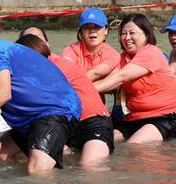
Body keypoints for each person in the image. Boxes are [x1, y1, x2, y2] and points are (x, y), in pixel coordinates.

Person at [0, 39, 81, 173]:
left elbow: (2, 93)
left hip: (55, 110)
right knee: (0, 158)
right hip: (27, 121)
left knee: (37, 170)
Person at [17, 27, 112, 166]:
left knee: (90, 167)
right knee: (6, 154)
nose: (33, 43)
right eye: (28, 40)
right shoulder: (29, 69)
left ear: (46, 44)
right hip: (62, 123)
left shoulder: (57, 66)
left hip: (93, 121)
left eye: (37, 39)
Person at [92, 14, 176, 143]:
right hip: (133, 119)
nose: (127, 37)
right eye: (123, 33)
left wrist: (87, 90)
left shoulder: (151, 52)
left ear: (146, 34)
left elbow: (121, 77)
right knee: (100, 140)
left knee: (134, 145)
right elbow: (109, 78)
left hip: (164, 118)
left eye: (132, 33)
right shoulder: (123, 57)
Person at [61, 8, 120, 84]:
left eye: (97, 27)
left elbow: (95, 73)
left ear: (106, 30)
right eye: (87, 27)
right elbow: (67, 75)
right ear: (81, 32)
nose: (92, 31)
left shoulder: (113, 55)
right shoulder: (70, 51)